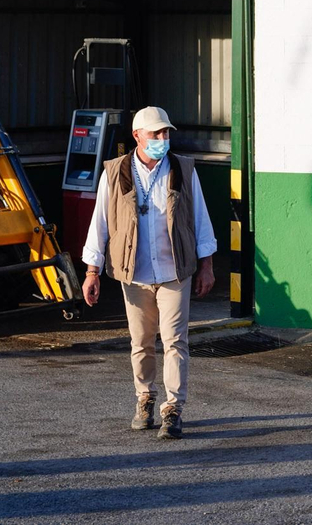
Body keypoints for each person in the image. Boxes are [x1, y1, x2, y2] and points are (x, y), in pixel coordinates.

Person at [81, 106, 217, 440]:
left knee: (175, 342)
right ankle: (144, 398)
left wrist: (207, 265)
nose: (162, 139)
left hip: (175, 270)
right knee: (141, 342)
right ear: (137, 136)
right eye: (155, 133)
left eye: (166, 133)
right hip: (135, 273)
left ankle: (173, 409)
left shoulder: (182, 169)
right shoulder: (115, 172)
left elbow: (200, 217)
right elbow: (100, 222)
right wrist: (92, 270)